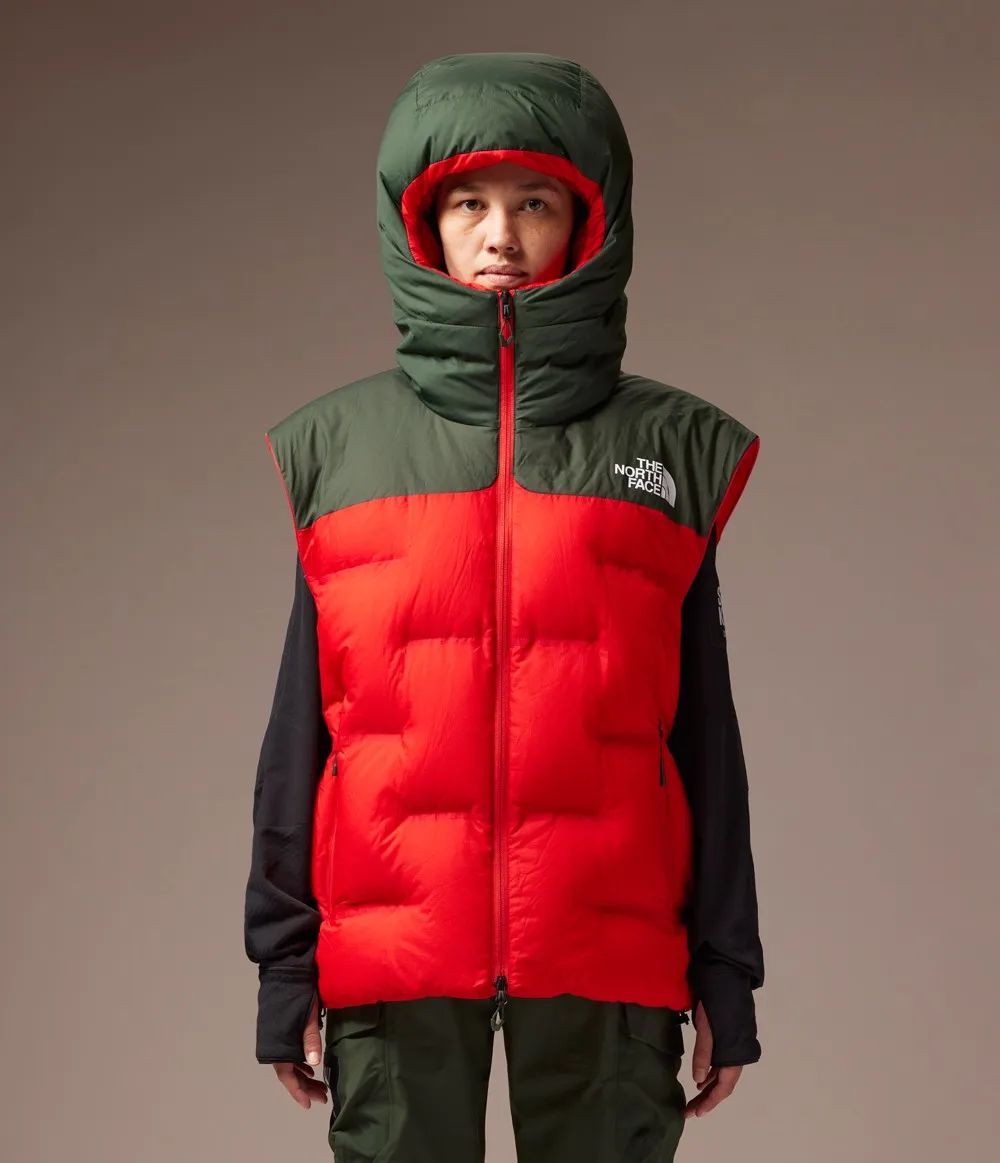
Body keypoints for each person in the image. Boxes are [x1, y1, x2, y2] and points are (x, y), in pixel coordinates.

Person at [244, 51, 765, 1161]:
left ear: (588, 224)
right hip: (393, 951)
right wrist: (283, 967)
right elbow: (304, 737)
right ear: (420, 226)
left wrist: (726, 969)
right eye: (467, 205)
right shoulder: (337, 451)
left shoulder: (669, 450)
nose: (500, 236)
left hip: (608, 951)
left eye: (534, 203)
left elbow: (703, 739)